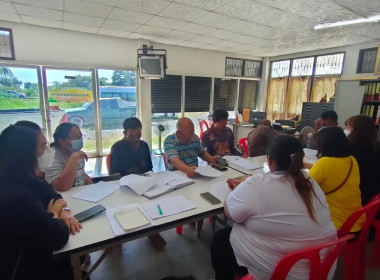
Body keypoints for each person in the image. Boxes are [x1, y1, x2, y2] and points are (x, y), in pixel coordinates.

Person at [210, 135, 337, 280]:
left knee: (220, 239)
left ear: (269, 160)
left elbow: (230, 213)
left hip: (282, 273)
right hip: (321, 270)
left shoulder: (257, 184)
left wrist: (241, 187)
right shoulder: (311, 182)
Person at [0, 125, 74, 280]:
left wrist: (64, 212)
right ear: (26, 154)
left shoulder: (27, 177)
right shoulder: (16, 195)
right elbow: (57, 237)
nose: (48, 150)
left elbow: (53, 195)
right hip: (25, 268)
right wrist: (53, 214)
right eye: (43, 146)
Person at [309, 126, 364, 231]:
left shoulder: (325, 162)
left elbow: (304, 184)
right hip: (356, 220)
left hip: (338, 225)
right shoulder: (352, 160)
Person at [42, 123, 93, 191]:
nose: (80, 140)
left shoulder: (75, 152)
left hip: (81, 193)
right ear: (62, 141)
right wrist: (74, 159)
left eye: (80, 137)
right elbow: (60, 187)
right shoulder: (51, 157)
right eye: (76, 138)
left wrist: (93, 187)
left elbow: (81, 174)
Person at [346, 115, 380, 205]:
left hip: (358, 193)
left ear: (358, 129)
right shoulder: (376, 145)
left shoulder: (353, 146)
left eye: (349, 127)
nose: (347, 130)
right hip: (374, 196)